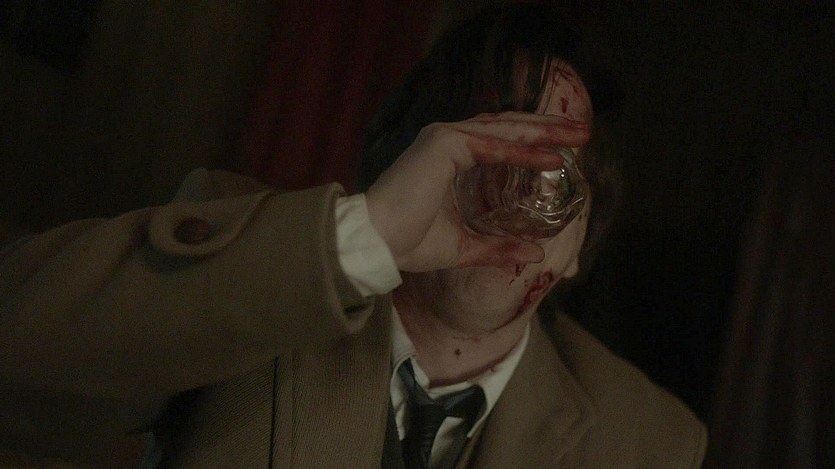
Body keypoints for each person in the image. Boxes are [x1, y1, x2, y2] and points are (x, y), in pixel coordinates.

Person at [0, 4, 705, 468]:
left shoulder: (649, 441)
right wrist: (364, 237)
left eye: (551, 171)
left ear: (580, 239)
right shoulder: (251, 262)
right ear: (414, 162)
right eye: (489, 147)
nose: (516, 194)